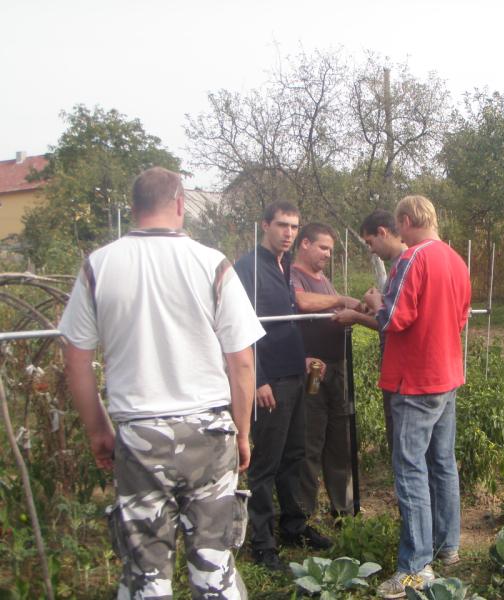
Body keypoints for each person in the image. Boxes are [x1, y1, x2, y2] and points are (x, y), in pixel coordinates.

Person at [60, 166, 262, 599]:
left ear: (133, 208)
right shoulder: (212, 264)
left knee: (147, 577)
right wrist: (243, 432)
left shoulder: (98, 265)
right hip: (209, 434)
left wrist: (98, 431)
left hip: (139, 437)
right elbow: (242, 362)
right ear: (180, 204)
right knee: (215, 568)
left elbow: (76, 360)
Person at [366, 196, 471, 599]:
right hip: (447, 376)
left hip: (416, 380)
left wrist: (375, 303)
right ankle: (448, 547)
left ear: (407, 221)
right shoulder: (456, 260)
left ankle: (415, 567)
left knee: (410, 468)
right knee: (442, 463)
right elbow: (460, 319)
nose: (398, 232)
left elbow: (394, 318)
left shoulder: (413, 258)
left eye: (399, 224)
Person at [233, 201, 332, 572]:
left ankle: (293, 526)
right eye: (281, 225)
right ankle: (262, 542)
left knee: (295, 455)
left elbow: (286, 322)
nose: (288, 233)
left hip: (294, 373)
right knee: (266, 463)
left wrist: (302, 358)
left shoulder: (286, 265)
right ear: (265, 225)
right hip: (269, 380)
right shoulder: (248, 268)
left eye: (293, 226)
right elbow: (239, 327)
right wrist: (257, 379)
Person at [291, 222, 363, 520]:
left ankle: (343, 511)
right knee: (310, 441)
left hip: (337, 368)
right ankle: (303, 515)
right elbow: (302, 302)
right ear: (305, 244)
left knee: (339, 441)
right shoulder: (293, 276)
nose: (327, 255)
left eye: (330, 250)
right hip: (314, 370)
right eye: (323, 248)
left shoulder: (324, 280)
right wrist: (342, 300)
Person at [332, 210, 406, 452]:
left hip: (402, 375)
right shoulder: (397, 268)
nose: (371, 250)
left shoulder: (405, 267)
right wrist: (376, 305)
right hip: (401, 371)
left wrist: (362, 313)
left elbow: (393, 322)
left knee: (404, 448)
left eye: (370, 242)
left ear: (382, 232)